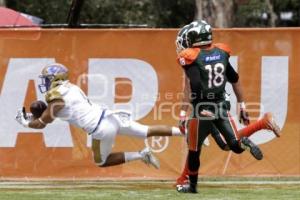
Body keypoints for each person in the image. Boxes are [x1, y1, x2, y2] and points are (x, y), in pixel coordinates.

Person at [175, 20, 280, 193]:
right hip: (221, 105)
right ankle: (244, 143)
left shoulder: (191, 56)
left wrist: (189, 111)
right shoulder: (220, 52)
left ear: (195, 38)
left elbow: (193, 85)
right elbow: (235, 78)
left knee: (194, 149)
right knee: (233, 145)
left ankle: (191, 186)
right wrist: (243, 105)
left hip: (203, 109)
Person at [15, 63, 183, 169]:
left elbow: (43, 123)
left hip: (101, 128)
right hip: (112, 117)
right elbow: (53, 113)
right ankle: (185, 132)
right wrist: (32, 116)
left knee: (101, 162)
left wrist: (24, 122)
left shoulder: (56, 97)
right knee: (146, 130)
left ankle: (141, 155)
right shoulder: (70, 87)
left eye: (47, 79)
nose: (44, 82)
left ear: (56, 79)